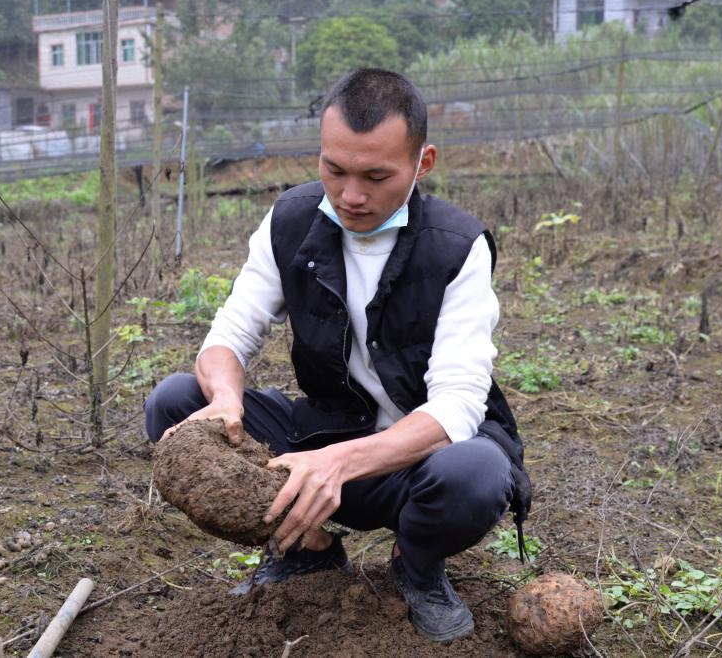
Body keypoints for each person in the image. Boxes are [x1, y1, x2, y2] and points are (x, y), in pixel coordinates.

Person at [145, 68, 532, 644]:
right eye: (335, 169)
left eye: (377, 176)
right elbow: (230, 333)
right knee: (179, 405)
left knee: (474, 472)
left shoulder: (458, 248)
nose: (351, 195)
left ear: (422, 163)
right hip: (323, 440)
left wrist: (338, 465)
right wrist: (225, 399)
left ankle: (417, 568)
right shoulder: (291, 220)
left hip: (413, 463)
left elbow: (456, 408)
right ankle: (309, 549)